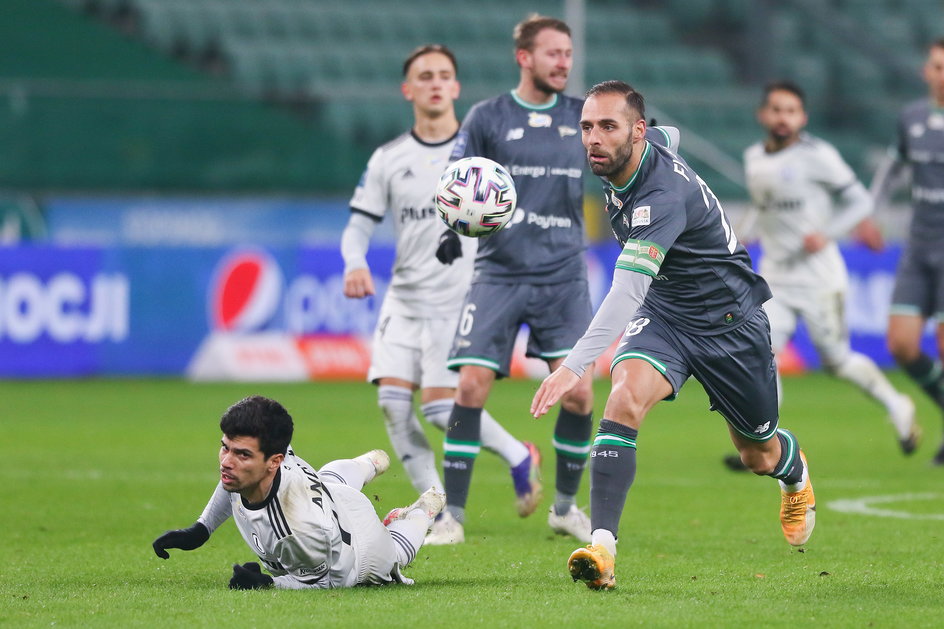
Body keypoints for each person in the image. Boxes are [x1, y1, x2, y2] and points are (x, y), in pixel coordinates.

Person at [531, 81, 816, 590]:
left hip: (730, 323)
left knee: (757, 454)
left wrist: (573, 365)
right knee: (622, 399)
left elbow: (624, 293)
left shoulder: (661, 196)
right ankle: (602, 547)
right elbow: (673, 135)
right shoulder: (639, 150)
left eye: (608, 127)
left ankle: (793, 472)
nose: (594, 139)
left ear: (636, 132)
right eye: (587, 127)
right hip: (666, 316)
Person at [341, 44, 540, 545]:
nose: (434, 83)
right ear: (408, 90)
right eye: (424, 76)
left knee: (435, 409)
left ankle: (517, 456)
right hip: (404, 300)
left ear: (455, 88)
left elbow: (517, 220)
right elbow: (358, 225)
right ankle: (439, 511)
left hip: (460, 301)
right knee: (391, 402)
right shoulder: (389, 159)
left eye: (444, 75)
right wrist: (355, 261)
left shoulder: (483, 160)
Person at [433, 14, 596, 544]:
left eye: (568, 54)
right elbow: (457, 180)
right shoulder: (488, 116)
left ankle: (566, 508)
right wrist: (452, 228)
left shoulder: (585, 117)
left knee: (579, 395)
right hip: (499, 273)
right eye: (553, 53)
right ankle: (452, 518)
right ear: (524, 58)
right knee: (471, 385)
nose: (564, 63)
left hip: (563, 274)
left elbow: (624, 161)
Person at [730, 80, 919, 465]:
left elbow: (860, 201)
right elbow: (760, 205)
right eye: (777, 110)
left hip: (819, 278)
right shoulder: (754, 157)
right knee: (763, 354)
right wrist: (743, 234)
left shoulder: (818, 155)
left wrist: (829, 233)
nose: (784, 118)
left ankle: (897, 404)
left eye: (792, 111)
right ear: (763, 115)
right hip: (774, 279)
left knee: (837, 361)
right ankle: (766, 440)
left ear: (803, 117)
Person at [151, 395, 445, 589]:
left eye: (241, 454)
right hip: (331, 492)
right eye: (224, 447)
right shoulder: (267, 457)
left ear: (274, 462)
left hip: (362, 550)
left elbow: (339, 580)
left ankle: (423, 511)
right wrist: (201, 529)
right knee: (329, 478)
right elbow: (232, 481)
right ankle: (367, 464)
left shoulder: (300, 530)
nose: (226, 461)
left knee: (395, 553)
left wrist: (268, 584)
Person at [870, 38, 944, 465]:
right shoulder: (912, 117)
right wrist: (869, 213)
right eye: (936, 65)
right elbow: (891, 171)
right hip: (919, 246)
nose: (941, 73)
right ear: (926, 71)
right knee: (901, 344)